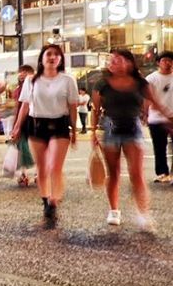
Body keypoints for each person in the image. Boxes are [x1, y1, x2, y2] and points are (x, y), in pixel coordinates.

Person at [93, 50, 173, 230]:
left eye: (118, 60)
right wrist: (92, 133)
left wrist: (168, 119)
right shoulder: (102, 83)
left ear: (129, 63)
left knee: (136, 174)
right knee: (113, 173)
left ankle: (143, 213)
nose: (113, 63)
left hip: (133, 128)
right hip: (110, 128)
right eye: (111, 60)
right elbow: (95, 110)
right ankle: (114, 210)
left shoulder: (140, 83)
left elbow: (156, 102)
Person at [10, 44, 77, 229]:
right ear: (42, 58)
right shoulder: (31, 80)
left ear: (61, 60)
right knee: (42, 169)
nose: (52, 57)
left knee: (55, 166)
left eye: (57, 55)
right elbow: (24, 105)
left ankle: (54, 201)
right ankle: (46, 202)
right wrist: (17, 127)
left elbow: (72, 106)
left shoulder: (68, 80)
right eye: (49, 54)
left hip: (60, 125)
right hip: (36, 125)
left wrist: (75, 129)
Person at [145, 51, 173, 182]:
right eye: (164, 60)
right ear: (158, 63)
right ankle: (163, 173)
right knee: (159, 147)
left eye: (170, 60)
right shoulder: (151, 78)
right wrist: (145, 114)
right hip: (156, 119)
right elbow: (148, 99)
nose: (168, 63)